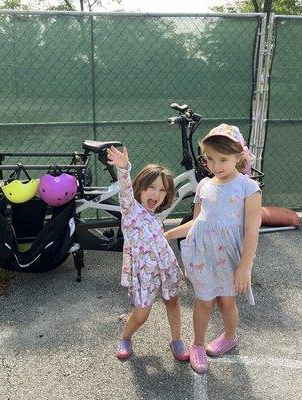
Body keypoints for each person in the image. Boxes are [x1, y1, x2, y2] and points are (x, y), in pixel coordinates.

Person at [164, 124, 262, 373]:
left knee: (227, 302)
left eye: (223, 159)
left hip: (230, 258)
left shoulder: (249, 188)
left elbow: (252, 229)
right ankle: (197, 344)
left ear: (239, 157)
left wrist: (244, 268)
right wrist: (166, 235)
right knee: (204, 301)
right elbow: (197, 222)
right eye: (209, 159)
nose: (216, 166)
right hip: (203, 255)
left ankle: (230, 336)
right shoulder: (204, 186)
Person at [106, 145, 189, 362]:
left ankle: (176, 339)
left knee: (173, 302)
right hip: (142, 273)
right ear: (140, 188)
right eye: (151, 187)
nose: (156, 194)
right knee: (142, 314)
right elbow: (124, 189)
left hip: (166, 267)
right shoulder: (130, 209)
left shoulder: (155, 216)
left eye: (162, 190)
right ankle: (126, 337)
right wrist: (124, 169)